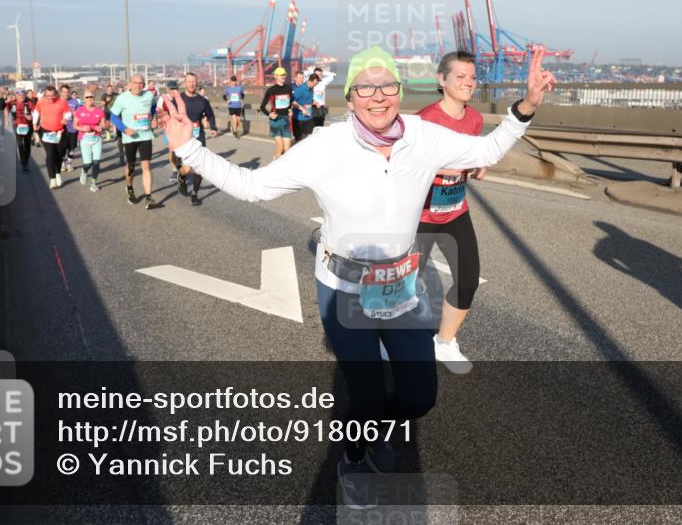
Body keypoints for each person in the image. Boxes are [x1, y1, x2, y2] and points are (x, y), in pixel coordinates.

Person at [161, 45, 555, 508]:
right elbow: (252, 187)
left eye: (386, 85)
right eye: (365, 87)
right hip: (344, 290)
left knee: (420, 396)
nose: (378, 96)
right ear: (350, 97)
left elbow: (487, 147)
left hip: (402, 287)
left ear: (399, 91)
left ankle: (374, 428)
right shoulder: (326, 146)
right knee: (365, 394)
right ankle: (354, 451)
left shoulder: (424, 137)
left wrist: (526, 105)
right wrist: (188, 147)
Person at [414, 51, 486, 375]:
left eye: (472, 77)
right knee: (401, 286)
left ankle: (444, 342)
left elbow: (474, 155)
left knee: (468, 280)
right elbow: (410, 166)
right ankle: (384, 343)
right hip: (419, 216)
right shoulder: (424, 121)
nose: (469, 83)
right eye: (460, 77)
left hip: (455, 211)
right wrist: (454, 163)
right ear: (441, 80)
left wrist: (479, 162)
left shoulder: (474, 119)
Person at [109, 74, 158, 209]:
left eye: (141, 83)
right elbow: (113, 116)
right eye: (135, 83)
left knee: (146, 166)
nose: (138, 86)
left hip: (145, 136)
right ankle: (129, 187)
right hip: (130, 137)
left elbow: (154, 107)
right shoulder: (122, 98)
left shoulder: (149, 96)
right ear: (130, 84)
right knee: (131, 167)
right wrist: (125, 129)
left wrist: (154, 118)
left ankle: (149, 197)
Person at [173, 72, 217, 204]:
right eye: (189, 81)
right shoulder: (178, 100)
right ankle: (181, 177)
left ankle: (194, 193)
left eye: (194, 81)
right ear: (184, 83)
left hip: (198, 136)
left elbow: (211, 115)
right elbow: (171, 116)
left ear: (197, 83)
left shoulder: (202, 100)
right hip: (183, 138)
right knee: (186, 169)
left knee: (199, 168)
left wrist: (213, 128)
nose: (192, 84)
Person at [32, 85, 72, 188]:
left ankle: (58, 173)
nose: (50, 98)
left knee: (59, 154)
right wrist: (34, 123)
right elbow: (36, 112)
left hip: (59, 132)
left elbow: (68, 113)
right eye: (48, 96)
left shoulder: (62, 102)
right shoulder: (41, 102)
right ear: (45, 95)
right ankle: (52, 179)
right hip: (45, 131)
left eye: (52, 96)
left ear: (56, 94)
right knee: (50, 155)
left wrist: (66, 119)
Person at [73, 91, 106, 192]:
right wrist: (83, 128)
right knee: (87, 163)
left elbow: (104, 125)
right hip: (84, 139)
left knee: (96, 162)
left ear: (94, 98)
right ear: (84, 99)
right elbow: (75, 125)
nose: (89, 99)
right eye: (87, 97)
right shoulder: (79, 110)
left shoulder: (99, 111)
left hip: (96, 139)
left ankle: (93, 183)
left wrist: (100, 127)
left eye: (91, 97)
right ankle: (84, 170)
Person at [259, 67, 294, 159]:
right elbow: (262, 107)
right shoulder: (271, 90)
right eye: (281, 75)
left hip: (286, 119)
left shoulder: (289, 88)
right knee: (281, 147)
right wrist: (269, 114)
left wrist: (290, 109)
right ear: (275, 76)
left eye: (284, 74)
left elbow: (290, 103)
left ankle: (283, 168)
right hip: (276, 121)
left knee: (288, 150)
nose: (283, 76)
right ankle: (276, 164)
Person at [8, 90, 34, 172]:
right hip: (17, 126)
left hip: (27, 126)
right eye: (19, 95)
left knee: (27, 145)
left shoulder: (29, 103)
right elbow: (5, 108)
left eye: (23, 95)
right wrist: (6, 119)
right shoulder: (12, 103)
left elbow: (35, 112)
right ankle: (24, 163)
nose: (21, 97)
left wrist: (31, 117)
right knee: (19, 145)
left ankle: (26, 159)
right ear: (16, 95)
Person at [60, 85, 81, 172]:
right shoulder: (57, 101)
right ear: (61, 92)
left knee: (71, 148)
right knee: (62, 148)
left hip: (72, 129)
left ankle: (69, 163)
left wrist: (76, 114)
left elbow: (79, 114)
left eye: (67, 92)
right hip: (60, 129)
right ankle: (62, 163)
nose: (66, 94)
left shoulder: (75, 101)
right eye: (64, 92)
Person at [292, 72, 317, 141]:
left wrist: (314, 102)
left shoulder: (310, 88)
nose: (302, 80)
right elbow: (291, 101)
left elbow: (307, 99)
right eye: (300, 78)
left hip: (308, 116)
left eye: (303, 78)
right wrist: (302, 109)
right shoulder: (295, 88)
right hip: (298, 117)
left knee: (309, 138)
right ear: (295, 78)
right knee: (298, 139)